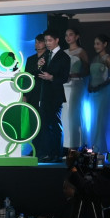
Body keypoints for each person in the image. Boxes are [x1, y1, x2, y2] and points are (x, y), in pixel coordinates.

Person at [32, 29, 70, 163]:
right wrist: (39, 66)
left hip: (55, 95)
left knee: (55, 125)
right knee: (45, 125)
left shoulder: (64, 57)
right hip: (44, 95)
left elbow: (64, 77)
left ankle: (57, 154)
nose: (47, 43)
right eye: (46, 41)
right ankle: (48, 153)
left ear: (56, 40)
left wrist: (52, 77)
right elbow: (38, 74)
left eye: (50, 40)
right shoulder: (47, 55)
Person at [86, 34, 110, 154]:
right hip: (93, 92)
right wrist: (90, 85)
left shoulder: (107, 58)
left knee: (102, 118)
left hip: (104, 92)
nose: (95, 46)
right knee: (94, 118)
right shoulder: (94, 58)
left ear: (105, 44)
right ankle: (95, 145)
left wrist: (101, 85)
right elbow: (92, 75)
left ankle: (103, 146)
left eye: (98, 43)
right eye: (95, 44)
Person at [63, 27, 89, 152]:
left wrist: (77, 74)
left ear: (77, 36)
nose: (68, 37)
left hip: (76, 84)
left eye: (71, 34)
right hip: (64, 85)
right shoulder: (63, 52)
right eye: (66, 35)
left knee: (74, 113)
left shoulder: (81, 51)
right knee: (65, 114)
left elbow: (87, 69)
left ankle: (76, 144)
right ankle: (66, 144)